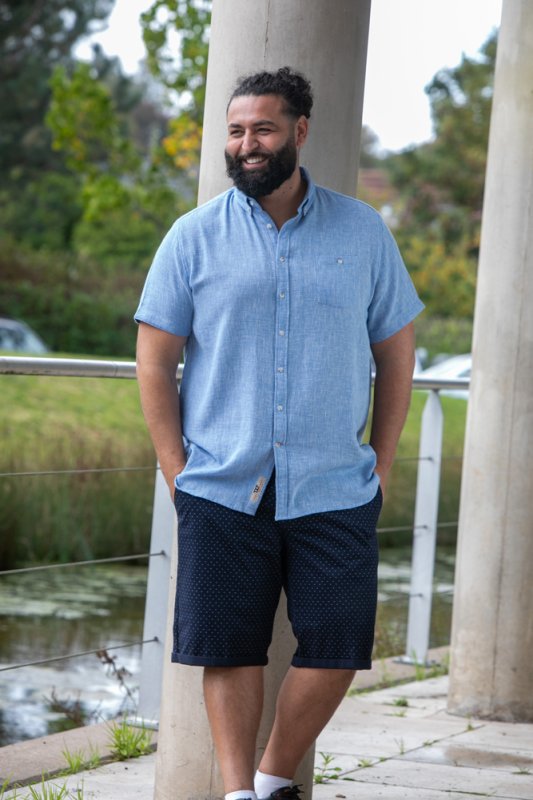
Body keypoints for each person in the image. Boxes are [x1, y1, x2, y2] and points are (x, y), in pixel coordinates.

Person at [135, 66, 424, 800]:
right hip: (222, 483)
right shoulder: (192, 237)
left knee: (339, 646)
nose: (247, 144)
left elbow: (396, 354)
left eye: (262, 128)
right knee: (227, 648)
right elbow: (155, 360)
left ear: (299, 131)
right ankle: (241, 794)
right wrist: (177, 472)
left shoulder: (362, 231)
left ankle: (272, 780)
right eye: (235, 131)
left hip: (335, 483)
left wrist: (382, 462)